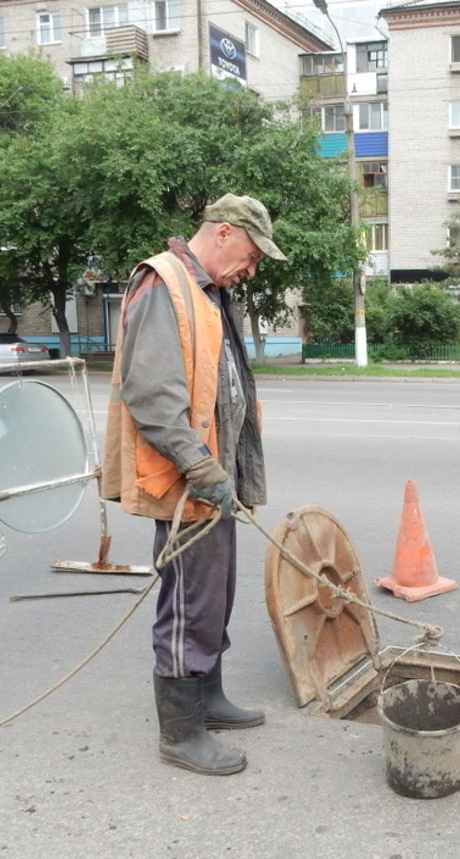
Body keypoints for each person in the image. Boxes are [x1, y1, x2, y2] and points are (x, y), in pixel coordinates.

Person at [101, 194, 286, 776]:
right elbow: (151, 393)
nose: (251, 269)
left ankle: (208, 697)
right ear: (225, 232)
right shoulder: (164, 283)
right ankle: (180, 734)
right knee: (187, 601)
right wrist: (201, 466)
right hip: (189, 480)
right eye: (252, 255)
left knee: (215, 593)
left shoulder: (209, 291)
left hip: (214, 476)